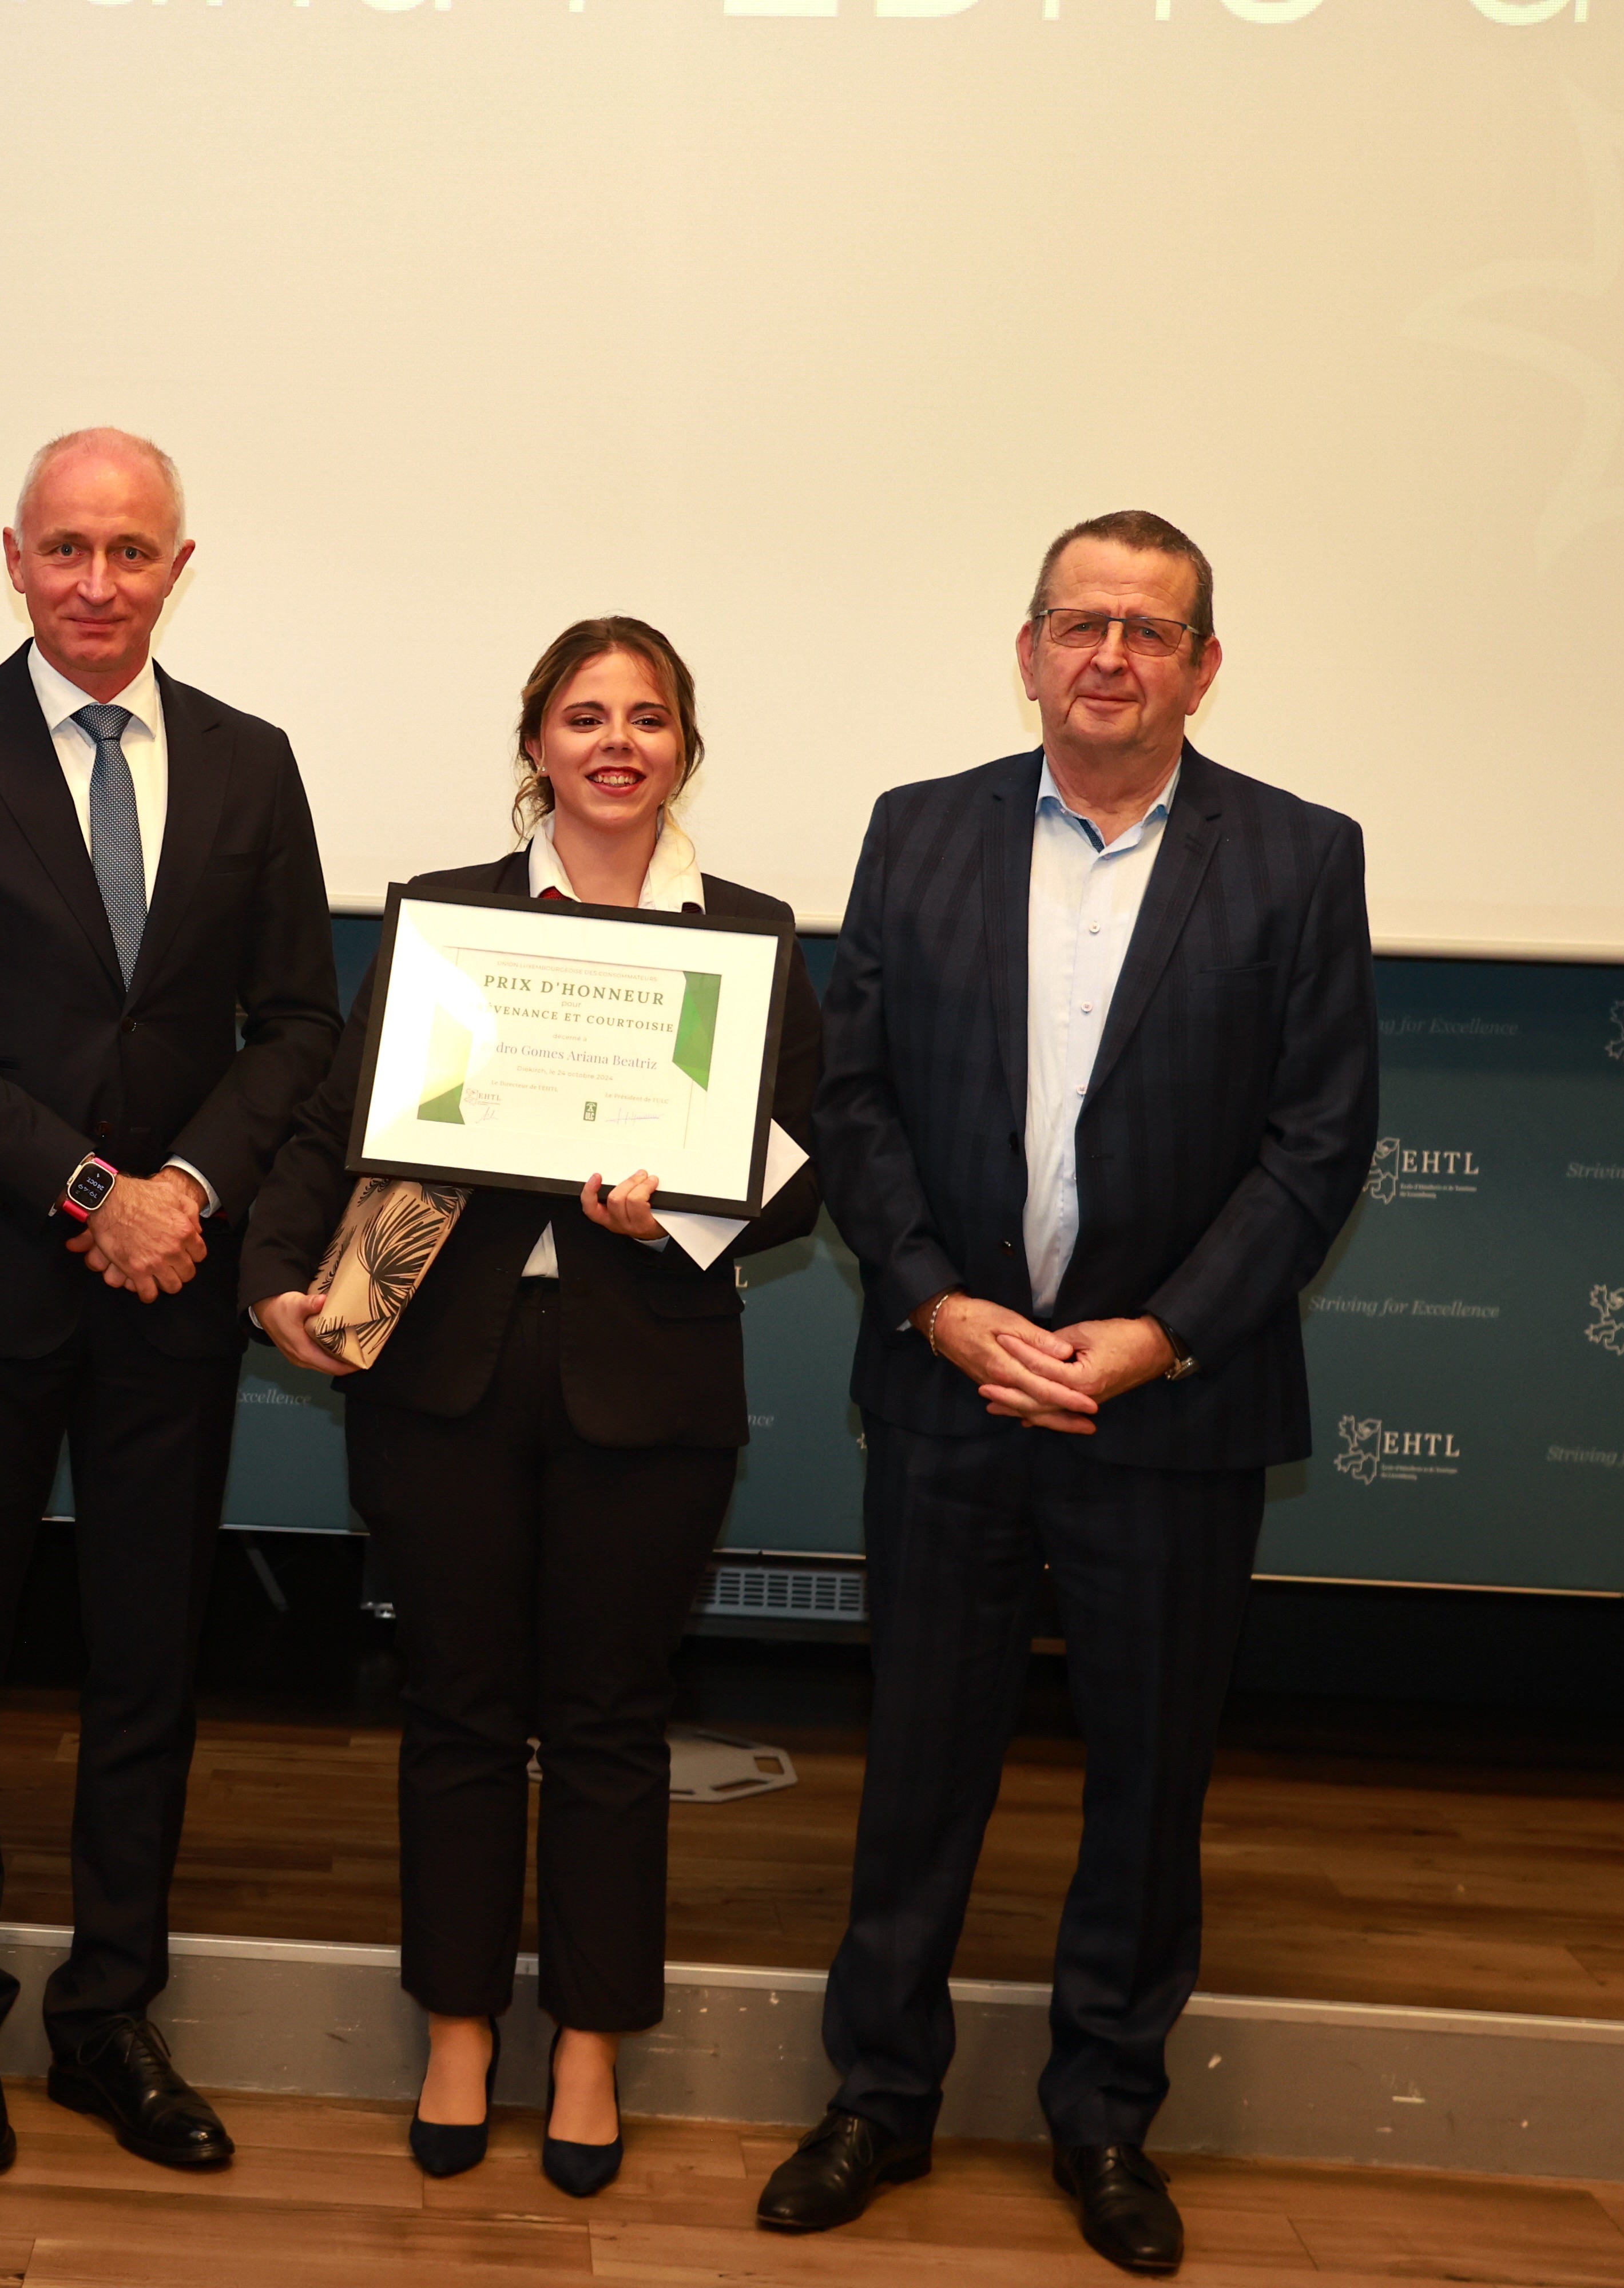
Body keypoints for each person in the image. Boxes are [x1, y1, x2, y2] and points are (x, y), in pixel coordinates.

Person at [763, 514, 1377, 2274]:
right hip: (953, 1388)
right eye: (1079, 622)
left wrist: (1159, 1335)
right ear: (1027, 651)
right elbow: (855, 1100)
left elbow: (1318, 1140)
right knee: (919, 1766)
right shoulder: (920, 830)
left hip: (1165, 1409)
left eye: (1148, 629)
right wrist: (939, 1307)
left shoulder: (1297, 856)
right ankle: (880, 2095)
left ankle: (1106, 2114)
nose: (1110, 654)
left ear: (1202, 666)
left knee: (1149, 1781)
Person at [243, 617, 820, 2199]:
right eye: (584, 716)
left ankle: (587, 2048)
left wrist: (675, 1205)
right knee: (458, 1712)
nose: (616, 743)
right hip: (447, 1376)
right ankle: (455, 2032)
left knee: (614, 1724)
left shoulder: (751, 936)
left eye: (647, 718)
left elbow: (796, 1182)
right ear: (536, 746)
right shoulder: (450, 919)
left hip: (652, 1384)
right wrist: (278, 1275)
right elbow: (348, 1118)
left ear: (684, 749)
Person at [0, 429, 342, 2175]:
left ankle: (110, 2014)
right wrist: (91, 1194)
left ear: (179, 569)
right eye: (68, 547)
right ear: (15, 559)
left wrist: (184, 1193)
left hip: (173, 1295)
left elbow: (298, 1022)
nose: (99, 581)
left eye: (133, 551)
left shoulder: (252, 762)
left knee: (148, 1666)